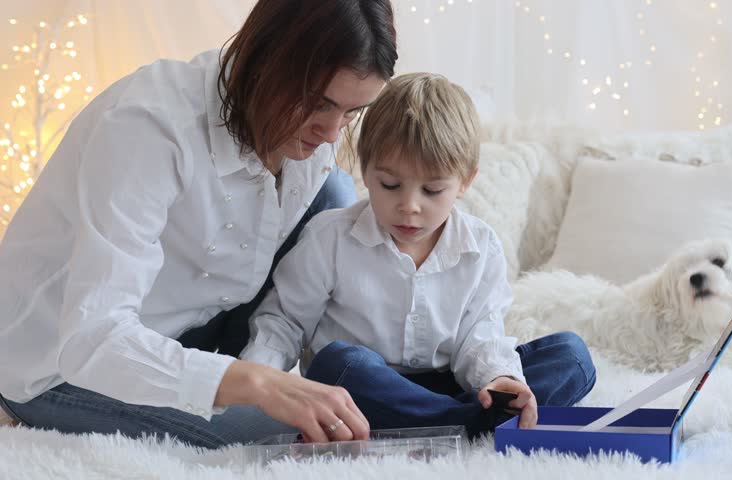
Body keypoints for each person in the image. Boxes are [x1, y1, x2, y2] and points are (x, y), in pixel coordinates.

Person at [0, 0, 397, 449]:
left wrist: (272, 374)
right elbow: (91, 340)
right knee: (295, 437)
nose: (331, 133)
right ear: (266, 61)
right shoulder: (147, 127)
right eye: (318, 104)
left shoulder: (313, 138)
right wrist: (259, 385)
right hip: (59, 365)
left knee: (334, 194)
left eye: (351, 112)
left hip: (193, 322)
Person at [240, 73, 597, 438]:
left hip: (450, 385)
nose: (409, 206)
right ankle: (468, 425)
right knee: (337, 363)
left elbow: (481, 335)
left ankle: (451, 421)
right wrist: (258, 385)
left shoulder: (481, 247)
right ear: (365, 171)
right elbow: (284, 322)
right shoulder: (329, 237)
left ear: (465, 182)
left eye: (432, 190)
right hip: (361, 390)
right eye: (390, 185)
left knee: (572, 356)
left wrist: (500, 379)